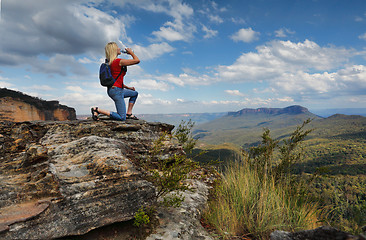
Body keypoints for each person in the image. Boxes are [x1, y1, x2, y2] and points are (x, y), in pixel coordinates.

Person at [91, 42, 140, 121]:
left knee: (134, 93)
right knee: (121, 118)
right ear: (114, 50)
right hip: (117, 91)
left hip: (116, 89)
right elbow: (137, 60)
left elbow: (116, 79)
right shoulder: (118, 62)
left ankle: (129, 113)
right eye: (117, 47)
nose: (119, 49)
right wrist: (131, 53)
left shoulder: (110, 62)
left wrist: (128, 87)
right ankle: (97, 110)